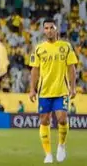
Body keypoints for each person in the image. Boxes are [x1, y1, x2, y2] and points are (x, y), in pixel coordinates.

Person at [29, 18, 79, 163]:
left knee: (62, 118)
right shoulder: (39, 48)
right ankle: (48, 154)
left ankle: (61, 146)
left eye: (51, 28)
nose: (49, 30)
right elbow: (34, 70)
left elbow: (72, 68)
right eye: (46, 28)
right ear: (43, 30)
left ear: (56, 29)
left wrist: (73, 87)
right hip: (44, 91)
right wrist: (32, 89)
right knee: (44, 121)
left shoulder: (66, 46)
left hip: (61, 90)